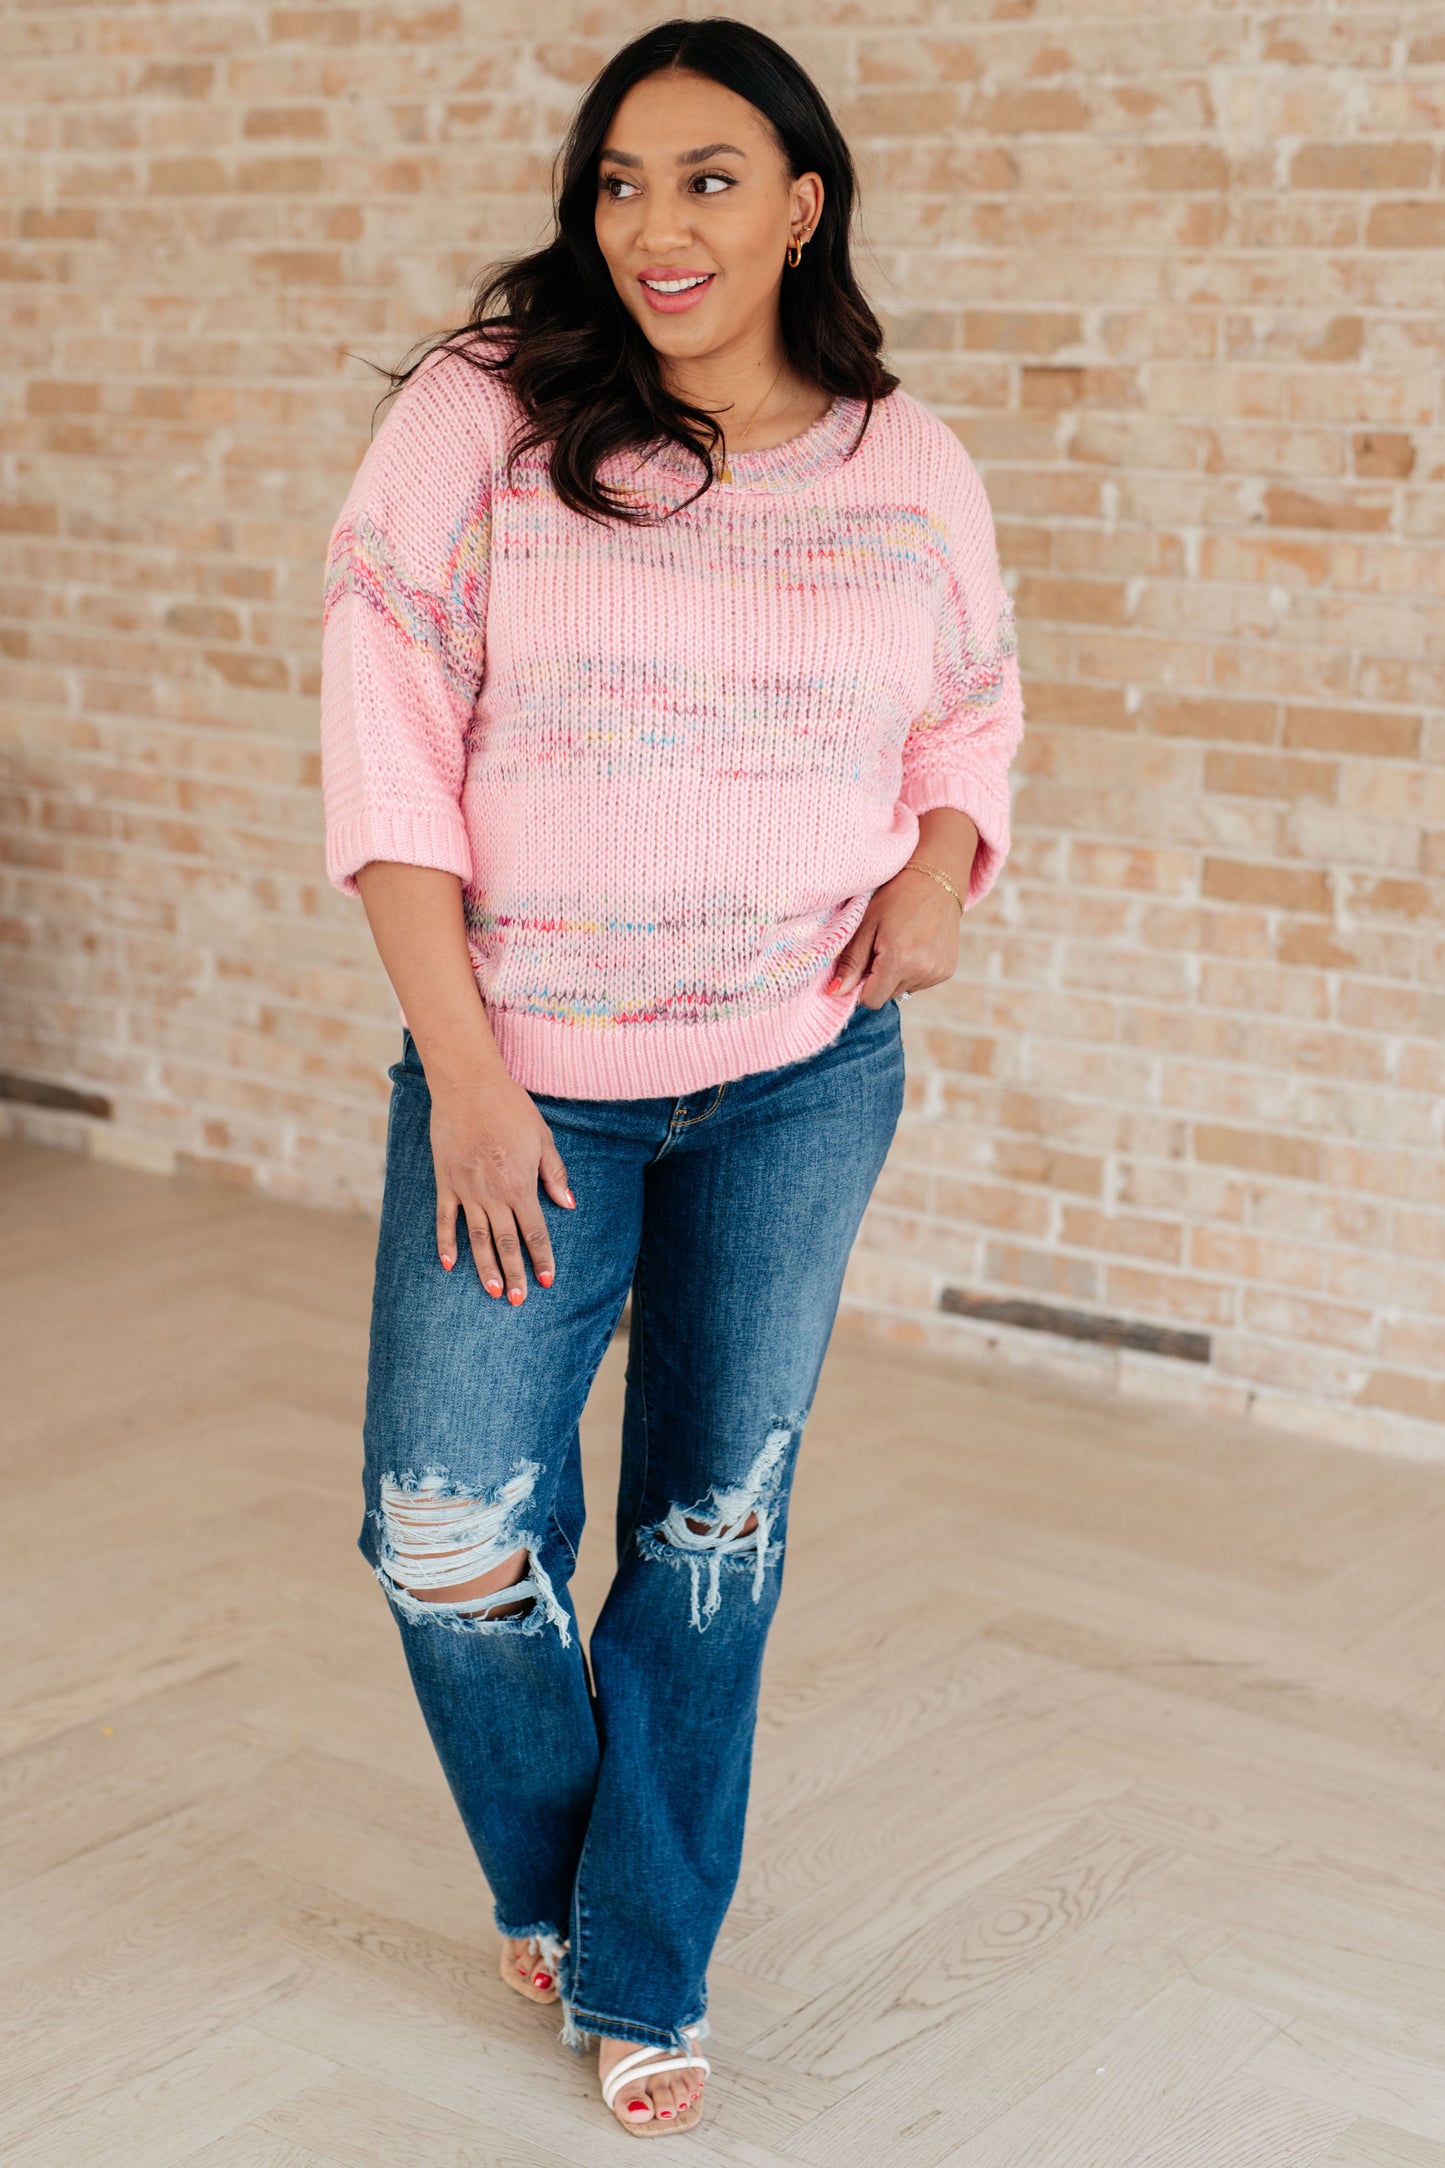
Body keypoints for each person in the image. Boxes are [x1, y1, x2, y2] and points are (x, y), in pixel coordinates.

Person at [318, 14, 1023, 2138]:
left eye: (707, 178)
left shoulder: (906, 459)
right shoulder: (484, 416)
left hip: (802, 1073)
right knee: (447, 1525)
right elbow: (385, 739)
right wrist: (465, 1071)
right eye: (619, 182)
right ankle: (582, 1882)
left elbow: (971, 704)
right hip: (524, 1075)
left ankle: (643, 1965)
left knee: (712, 1531)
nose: (654, 225)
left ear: (803, 205)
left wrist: (942, 867)